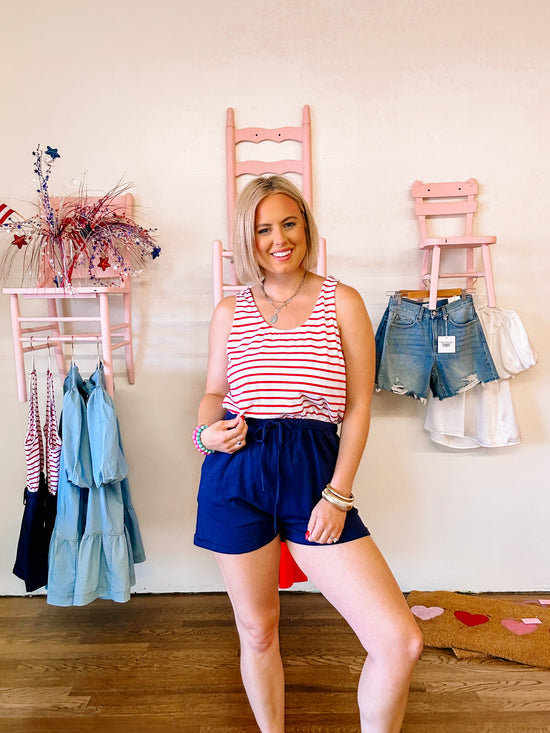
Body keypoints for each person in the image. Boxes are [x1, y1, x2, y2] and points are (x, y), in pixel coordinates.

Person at [193, 175, 423, 732]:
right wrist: (206, 435)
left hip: (313, 469)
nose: (279, 239)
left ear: (306, 227)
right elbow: (214, 395)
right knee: (258, 629)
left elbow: (359, 409)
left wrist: (338, 494)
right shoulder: (231, 309)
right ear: (248, 239)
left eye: (289, 223)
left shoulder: (340, 300)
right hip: (236, 473)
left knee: (400, 641)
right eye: (263, 228)